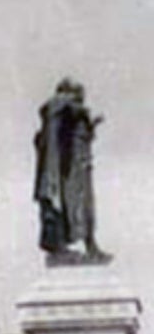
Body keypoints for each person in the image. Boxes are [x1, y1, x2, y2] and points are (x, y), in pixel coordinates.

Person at [34, 78, 105, 259]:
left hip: (76, 171)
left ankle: (89, 245)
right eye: (77, 96)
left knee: (83, 207)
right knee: (65, 207)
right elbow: (65, 108)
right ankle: (62, 247)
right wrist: (80, 109)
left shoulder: (66, 119)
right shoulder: (59, 106)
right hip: (62, 174)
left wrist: (90, 126)